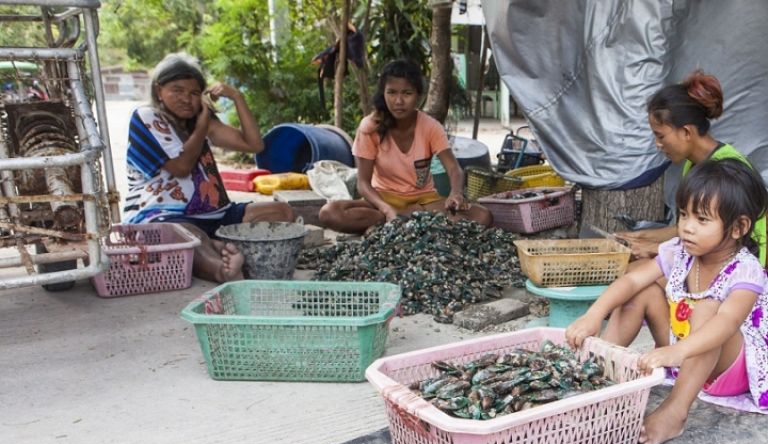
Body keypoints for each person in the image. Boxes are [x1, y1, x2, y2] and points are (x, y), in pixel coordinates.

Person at [566, 159, 768, 444]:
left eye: (701, 220)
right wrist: (594, 315)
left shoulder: (745, 269)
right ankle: (599, 378)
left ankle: (675, 409)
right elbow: (632, 282)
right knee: (641, 292)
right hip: (682, 349)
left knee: (709, 310)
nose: (687, 228)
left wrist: (676, 351)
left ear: (738, 227)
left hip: (726, 369)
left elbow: (726, 324)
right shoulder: (680, 251)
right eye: (683, 215)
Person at [123, 53, 294, 282]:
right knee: (189, 235)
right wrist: (203, 127)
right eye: (177, 90)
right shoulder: (147, 116)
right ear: (158, 91)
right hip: (162, 216)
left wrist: (237, 97)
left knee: (281, 212)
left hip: (214, 214)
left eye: (194, 93)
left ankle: (220, 246)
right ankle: (221, 269)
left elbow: (254, 144)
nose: (186, 99)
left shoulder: (201, 122)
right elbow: (182, 167)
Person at [318, 59, 492, 234]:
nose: (398, 101)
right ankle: (405, 219)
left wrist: (456, 193)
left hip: (425, 201)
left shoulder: (431, 127)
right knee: (330, 213)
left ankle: (395, 222)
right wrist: (386, 209)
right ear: (383, 93)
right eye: (391, 93)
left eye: (407, 93)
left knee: (482, 216)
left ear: (418, 95)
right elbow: (363, 183)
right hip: (383, 200)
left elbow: (454, 169)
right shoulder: (371, 127)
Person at [618, 70, 767, 267]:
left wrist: (654, 248)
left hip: (733, 271)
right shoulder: (693, 163)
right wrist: (638, 237)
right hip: (706, 262)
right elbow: (690, 228)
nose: (657, 144)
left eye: (661, 136)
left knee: (634, 273)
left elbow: (719, 240)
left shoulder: (728, 170)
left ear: (687, 131)